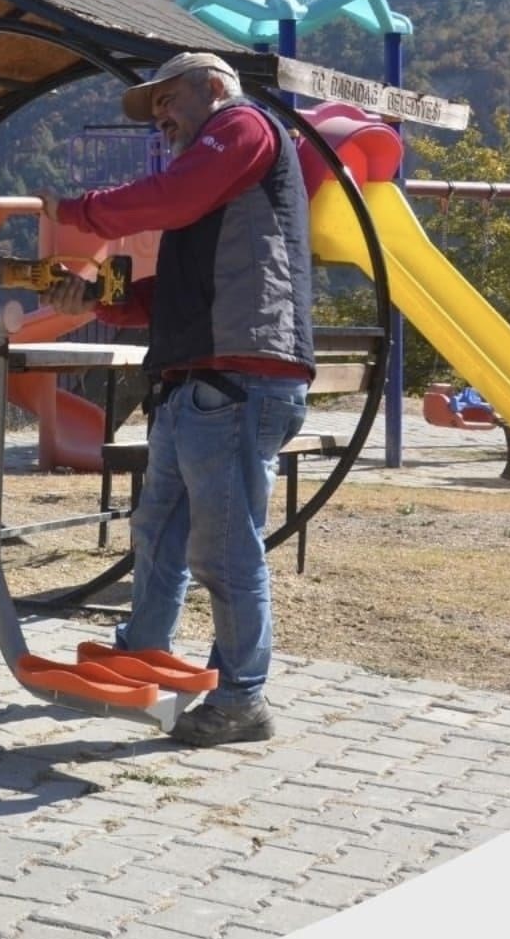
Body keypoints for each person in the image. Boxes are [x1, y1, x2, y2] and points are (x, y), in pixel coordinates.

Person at [38, 51, 314, 747]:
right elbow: (171, 297)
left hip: (236, 378)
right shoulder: (206, 190)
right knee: (158, 532)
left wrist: (78, 212)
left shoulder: (241, 127)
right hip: (198, 381)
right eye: (152, 108)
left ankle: (241, 699)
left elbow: (169, 199)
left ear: (213, 86)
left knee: (222, 551)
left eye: (168, 99)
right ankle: (139, 654)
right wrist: (102, 295)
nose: (160, 116)